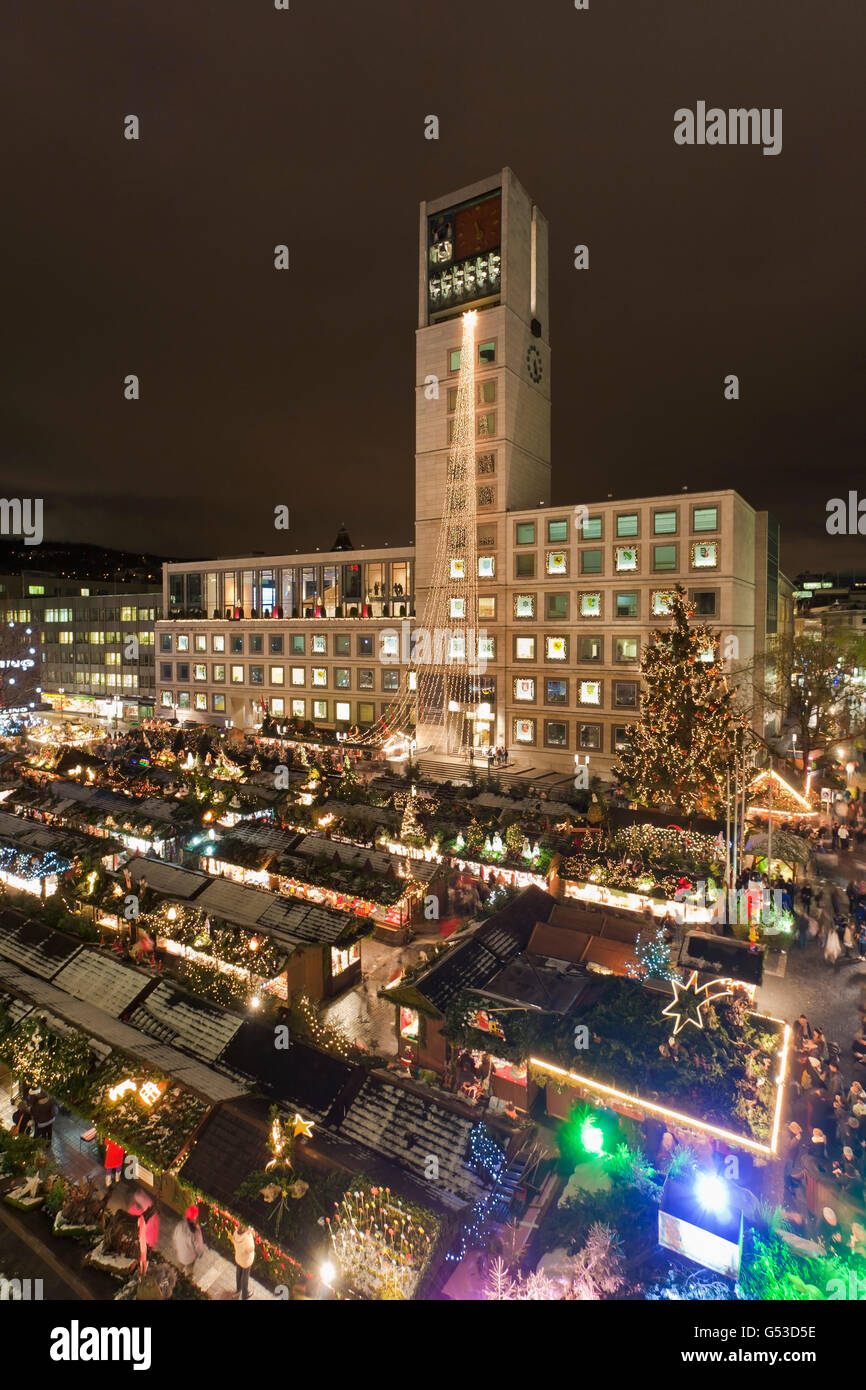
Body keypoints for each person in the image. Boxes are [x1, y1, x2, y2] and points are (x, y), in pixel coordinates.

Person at [173, 1205, 205, 1270]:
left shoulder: (180, 1225)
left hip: (180, 1255)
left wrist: (176, 1249)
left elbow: (174, 1238)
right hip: (189, 1258)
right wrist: (200, 1254)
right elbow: (199, 1247)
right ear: (194, 1217)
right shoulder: (195, 1232)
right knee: (189, 1270)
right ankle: (187, 1277)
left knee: (178, 1269)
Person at [233, 1223, 255, 1300]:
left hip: (239, 1257)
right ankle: (245, 1294)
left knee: (238, 1273)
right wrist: (250, 1235)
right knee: (245, 1276)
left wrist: (247, 1233)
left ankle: (238, 1289)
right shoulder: (247, 1239)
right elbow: (251, 1248)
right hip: (246, 1261)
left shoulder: (235, 1233)